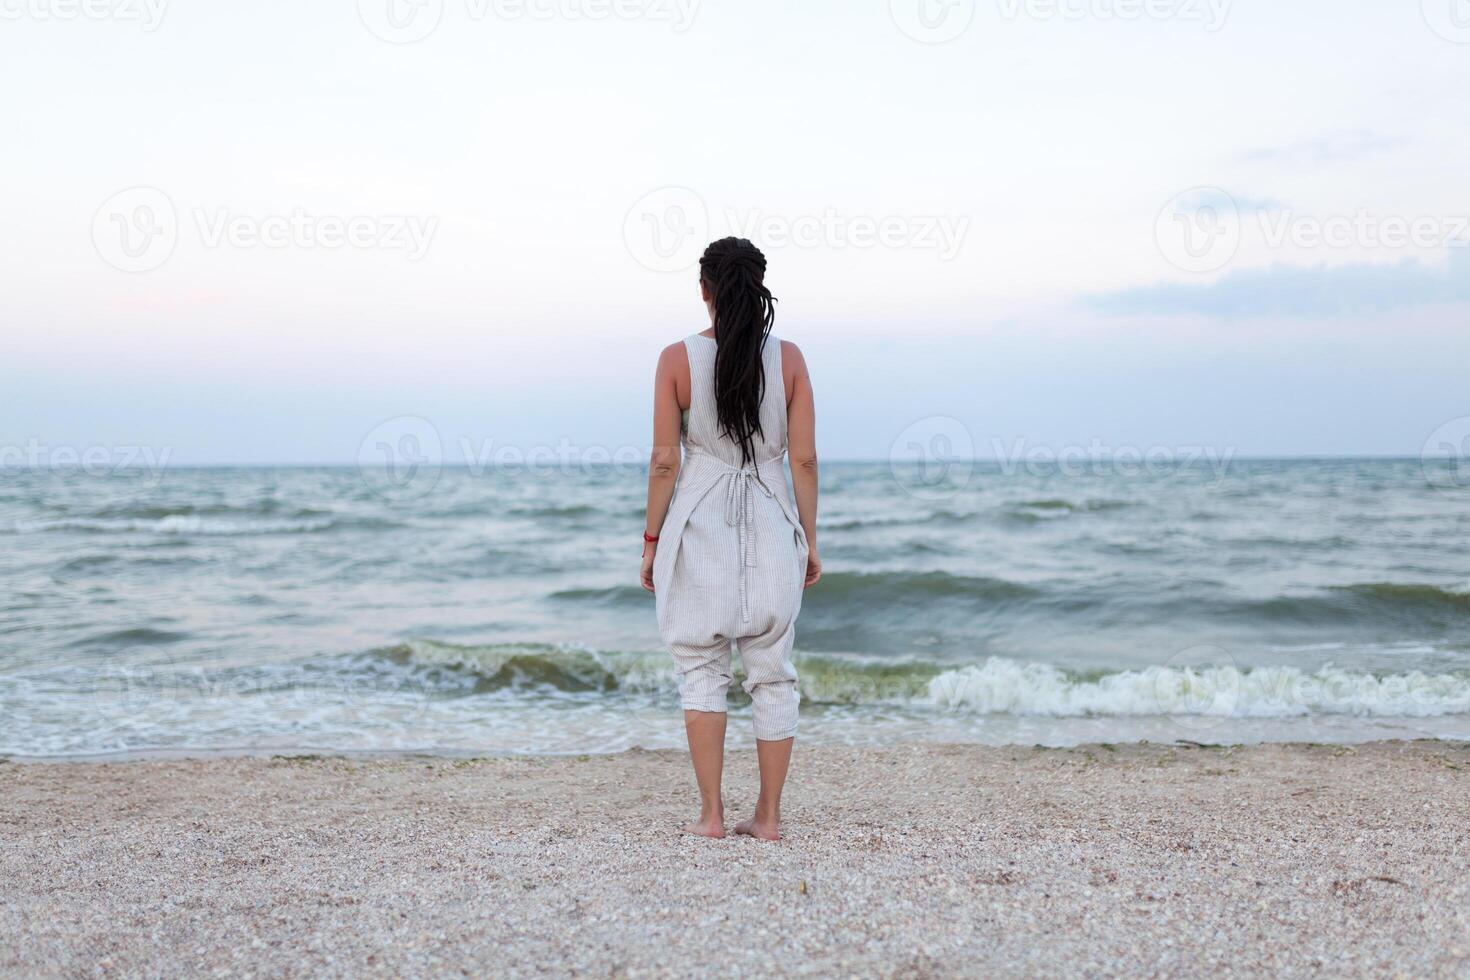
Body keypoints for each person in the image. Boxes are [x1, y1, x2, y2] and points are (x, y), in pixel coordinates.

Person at [639, 237, 821, 841]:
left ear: (705, 290)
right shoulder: (789, 360)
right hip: (773, 522)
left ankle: (712, 816)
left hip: (700, 522)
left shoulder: (675, 359)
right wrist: (810, 541)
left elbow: (666, 462)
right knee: (772, 672)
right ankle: (768, 819)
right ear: (758, 284)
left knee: (700, 667)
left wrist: (650, 541)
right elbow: (805, 462)